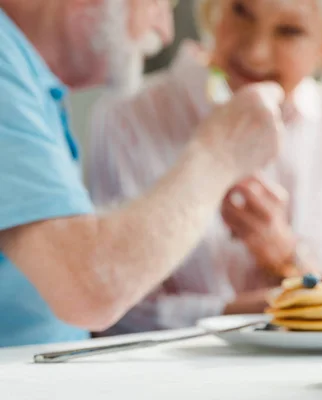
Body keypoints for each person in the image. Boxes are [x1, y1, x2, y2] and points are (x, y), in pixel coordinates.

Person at [87, 0, 322, 334]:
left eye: (289, 31)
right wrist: (265, 307)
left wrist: (287, 260)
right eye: (241, 11)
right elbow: (112, 314)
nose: (255, 52)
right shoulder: (128, 118)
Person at [0, 0, 285, 347]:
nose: (165, 33)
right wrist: (220, 153)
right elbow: (91, 287)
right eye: (160, 5)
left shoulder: (27, 76)